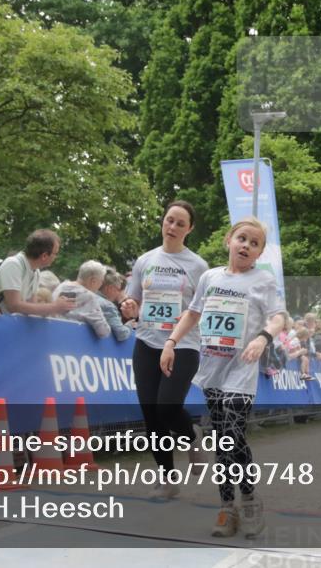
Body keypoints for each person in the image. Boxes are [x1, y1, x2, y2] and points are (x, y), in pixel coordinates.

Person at [162, 216, 285, 539]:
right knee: (225, 442)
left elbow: (278, 318)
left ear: (259, 253)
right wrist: (171, 343)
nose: (246, 245)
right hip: (213, 370)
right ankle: (228, 507)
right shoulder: (210, 277)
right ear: (228, 240)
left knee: (230, 435)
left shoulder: (263, 281)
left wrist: (261, 339)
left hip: (242, 371)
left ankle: (247, 503)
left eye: (254, 243)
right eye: (242, 239)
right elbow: (192, 313)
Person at [119, 201, 209, 497]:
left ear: (189, 229)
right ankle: (168, 479)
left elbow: (202, 310)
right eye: (169, 220)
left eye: (180, 223)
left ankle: (192, 436)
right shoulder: (145, 260)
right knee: (151, 414)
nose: (172, 227)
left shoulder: (198, 266)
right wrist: (129, 307)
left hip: (183, 344)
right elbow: (131, 303)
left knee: (167, 407)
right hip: (146, 342)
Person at [0, 229, 75, 316]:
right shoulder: (13, 264)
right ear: (44, 255)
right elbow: (13, 306)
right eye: (55, 253)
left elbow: (31, 307)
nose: (56, 257)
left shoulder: (35, 271)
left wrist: (59, 308)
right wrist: (54, 307)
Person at [53, 261, 112, 338]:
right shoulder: (88, 297)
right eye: (101, 281)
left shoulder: (62, 286)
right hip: (70, 341)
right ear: (93, 281)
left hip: (53, 333)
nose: (101, 284)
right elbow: (103, 331)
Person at [96, 269, 133, 341]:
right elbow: (122, 334)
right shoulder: (107, 306)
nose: (119, 293)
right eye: (118, 290)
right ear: (110, 288)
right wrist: (130, 325)